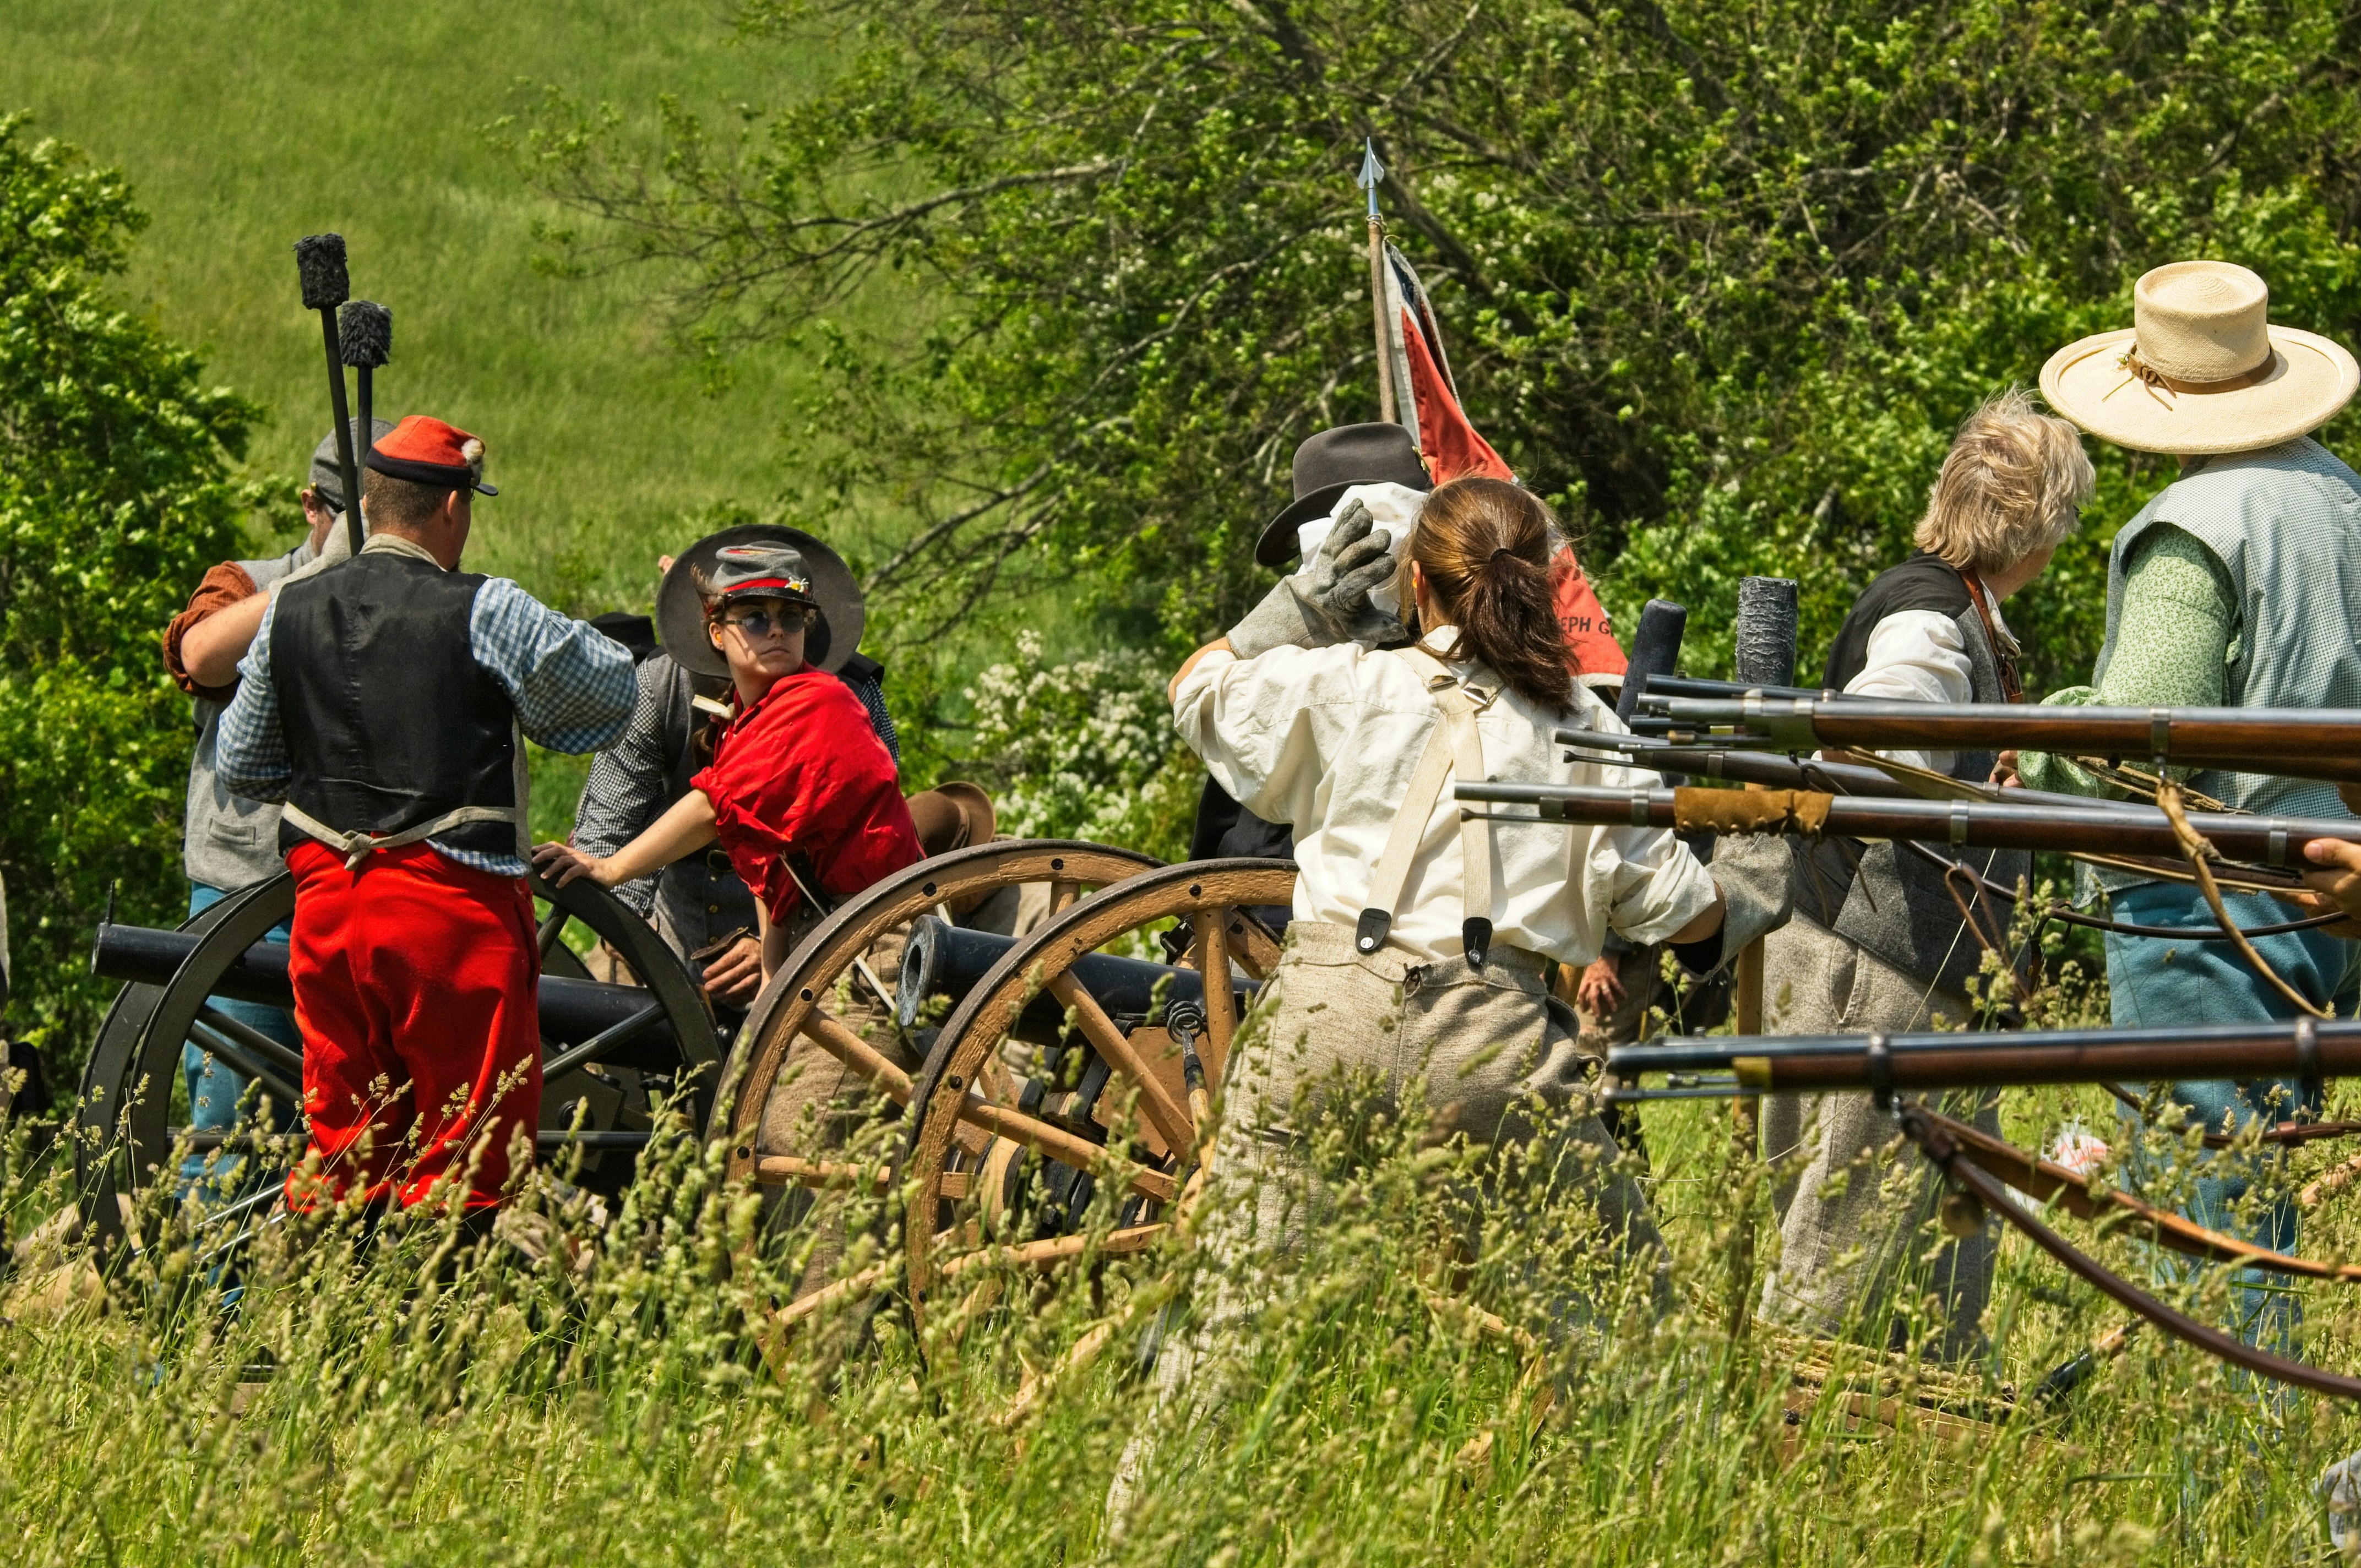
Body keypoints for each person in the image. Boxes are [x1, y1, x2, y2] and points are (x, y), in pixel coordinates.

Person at [1151, 476, 1789, 1427]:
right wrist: (1757, 869)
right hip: (1490, 1040)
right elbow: (1682, 912)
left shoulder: (1342, 683)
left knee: (1217, 1346)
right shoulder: (1585, 726)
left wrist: (1297, 607)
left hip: (1319, 1019)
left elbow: (1195, 688)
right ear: (1539, 584)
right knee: (1635, 1339)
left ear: (1416, 583)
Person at [2021, 260, 2361, 1352]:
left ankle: (2241, 1479)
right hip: (2333, 888)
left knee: (2216, 1225)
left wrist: (2035, 738)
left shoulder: (2189, 525)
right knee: (2237, 1198)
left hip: (2206, 904)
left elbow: (2141, 739)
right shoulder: (2344, 497)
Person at [216, 416, 637, 1215]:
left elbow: (243, 764)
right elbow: (610, 697)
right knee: (472, 1150)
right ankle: (448, 1313)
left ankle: (345, 1308)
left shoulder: (290, 611)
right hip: (450, 916)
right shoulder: (487, 609)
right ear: (452, 507)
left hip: (328, 910)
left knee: (345, 1141)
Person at [1755, 388, 2093, 1359]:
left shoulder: (1947, 607)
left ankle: (1918, 1428)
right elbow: (1888, 722)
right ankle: (1792, 1441)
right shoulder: (1931, 625)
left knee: (1920, 1249)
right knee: (1838, 1253)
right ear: (2038, 528)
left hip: (1877, 955)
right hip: (1876, 970)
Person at [160, 420, 389, 1196]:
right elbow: (198, 655)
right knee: (230, 1129)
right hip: (249, 895)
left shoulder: (405, 602)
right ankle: (214, 1315)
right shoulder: (246, 581)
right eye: (343, 517)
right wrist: (316, 581)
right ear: (309, 508)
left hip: (369, 898)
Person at [573, 525, 901, 1010]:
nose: (773, 631)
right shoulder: (660, 686)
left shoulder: (832, 696)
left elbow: (718, 804)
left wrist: (769, 958)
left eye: (791, 619)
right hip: (680, 922)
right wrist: (635, 935)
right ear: (715, 631)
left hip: (840, 932)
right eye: (752, 618)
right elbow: (609, 824)